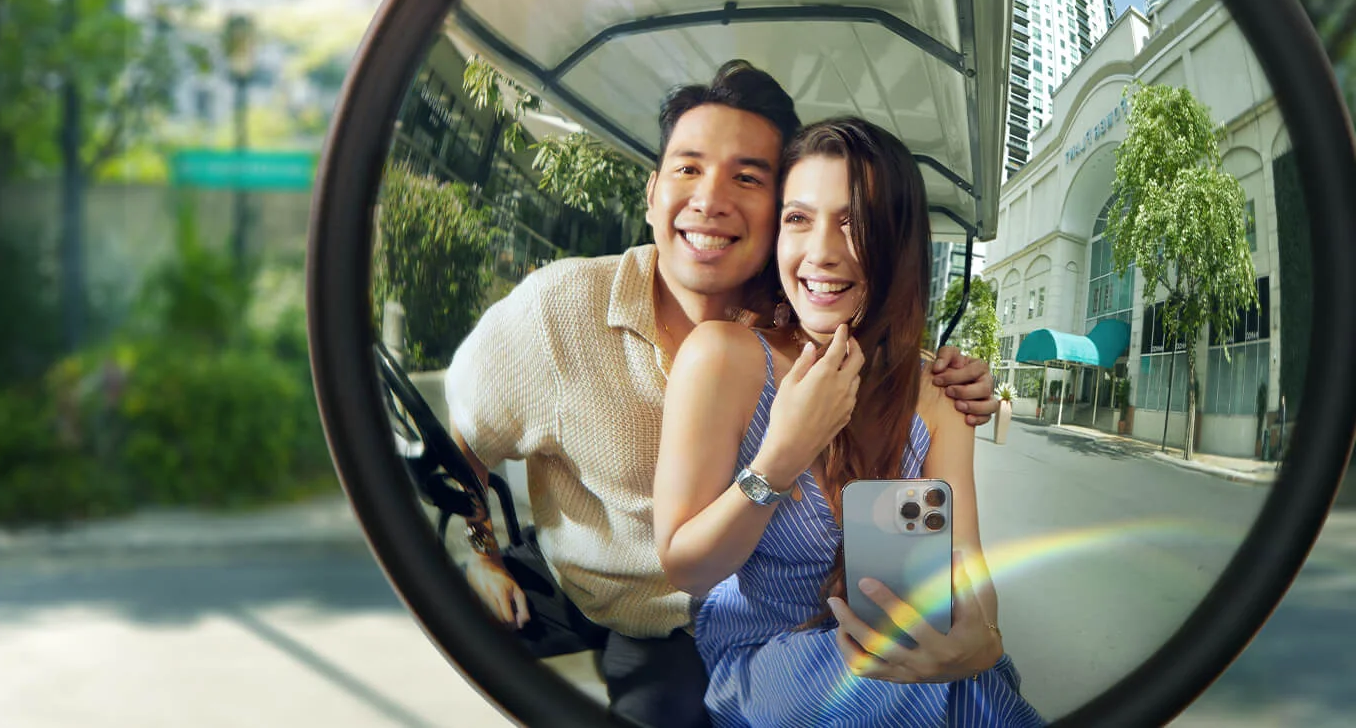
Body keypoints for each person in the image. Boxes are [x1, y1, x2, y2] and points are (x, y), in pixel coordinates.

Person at [444, 62, 1001, 728]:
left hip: (783, 633)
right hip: (630, 612)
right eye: (687, 169)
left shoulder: (812, 323)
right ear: (651, 193)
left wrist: (980, 634)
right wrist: (475, 554)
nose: (710, 200)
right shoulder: (559, 310)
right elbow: (464, 448)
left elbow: (957, 558)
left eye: (746, 177)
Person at [653, 116, 1045, 727]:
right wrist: (783, 455)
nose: (822, 252)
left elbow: (963, 561)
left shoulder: (937, 393)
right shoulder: (724, 359)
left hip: (898, 640)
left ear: (897, 244)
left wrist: (980, 636)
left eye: (854, 223)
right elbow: (686, 565)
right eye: (798, 218)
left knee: (971, 686)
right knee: (900, 691)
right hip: (765, 651)